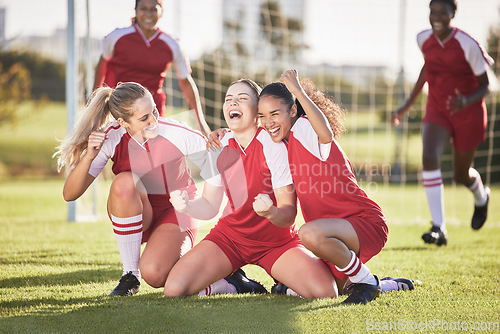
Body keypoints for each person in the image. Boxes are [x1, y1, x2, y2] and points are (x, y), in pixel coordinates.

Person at [54, 82, 259, 297]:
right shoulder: (111, 137)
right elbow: (70, 194)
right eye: (144, 118)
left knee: (155, 274)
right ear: (123, 122)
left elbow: (218, 158)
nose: (154, 120)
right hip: (138, 211)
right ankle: (130, 275)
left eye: (154, 110)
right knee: (124, 182)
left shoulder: (176, 132)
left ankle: (228, 283)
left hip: (177, 211)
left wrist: (228, 137)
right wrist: (89, 155)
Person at [164, 79, 338, 299]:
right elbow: (209, 206)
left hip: (276, 243)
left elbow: (288, 213)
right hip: (231, 239)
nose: (233, 103)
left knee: (325, 292)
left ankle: (284, 287)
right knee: (174, 290)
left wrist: (271, 212)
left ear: (258, 111)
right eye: (228, 99)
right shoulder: (219, 145)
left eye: (242, 98)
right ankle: (233, 284)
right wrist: (188, 206)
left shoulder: (274, 146)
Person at [256, 70, 396, 305]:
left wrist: (298, 92)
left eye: (274, 113)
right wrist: (221, 134)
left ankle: (368, 283)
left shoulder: (303, 128)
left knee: (308, 233)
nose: (267, 121)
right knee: (330, 287)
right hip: (333, 235)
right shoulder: (282, 143)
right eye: (262, 115)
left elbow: (326, 133)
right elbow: (247, 132)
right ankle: (386, 283)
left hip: (362, 223)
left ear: (292, 110)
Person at [392, 0, 494, 246]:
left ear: (453, 15)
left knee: (461, 174)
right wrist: (407, 104)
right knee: (429, 157)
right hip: (437, 109)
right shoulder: (423, 39)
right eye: (432, 11)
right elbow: (428, 69)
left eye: (442, 12)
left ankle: (481, 196)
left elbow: (486, 86)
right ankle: (439, 227)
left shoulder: (467, 44)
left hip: (468, 112)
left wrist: (465, 101)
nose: (436, 17)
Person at [93, 0, 211, 136]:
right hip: (120, 110)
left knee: (152, 155)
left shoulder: (172, 45)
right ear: (136, 11)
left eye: (153, 9)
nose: (148, 14)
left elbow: (186, 82)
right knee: (120, 155)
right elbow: (102, 64)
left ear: (161, 12)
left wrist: (200, 121)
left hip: (152, 113)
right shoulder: (116, 37)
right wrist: (94, 101)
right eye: (143, 8)